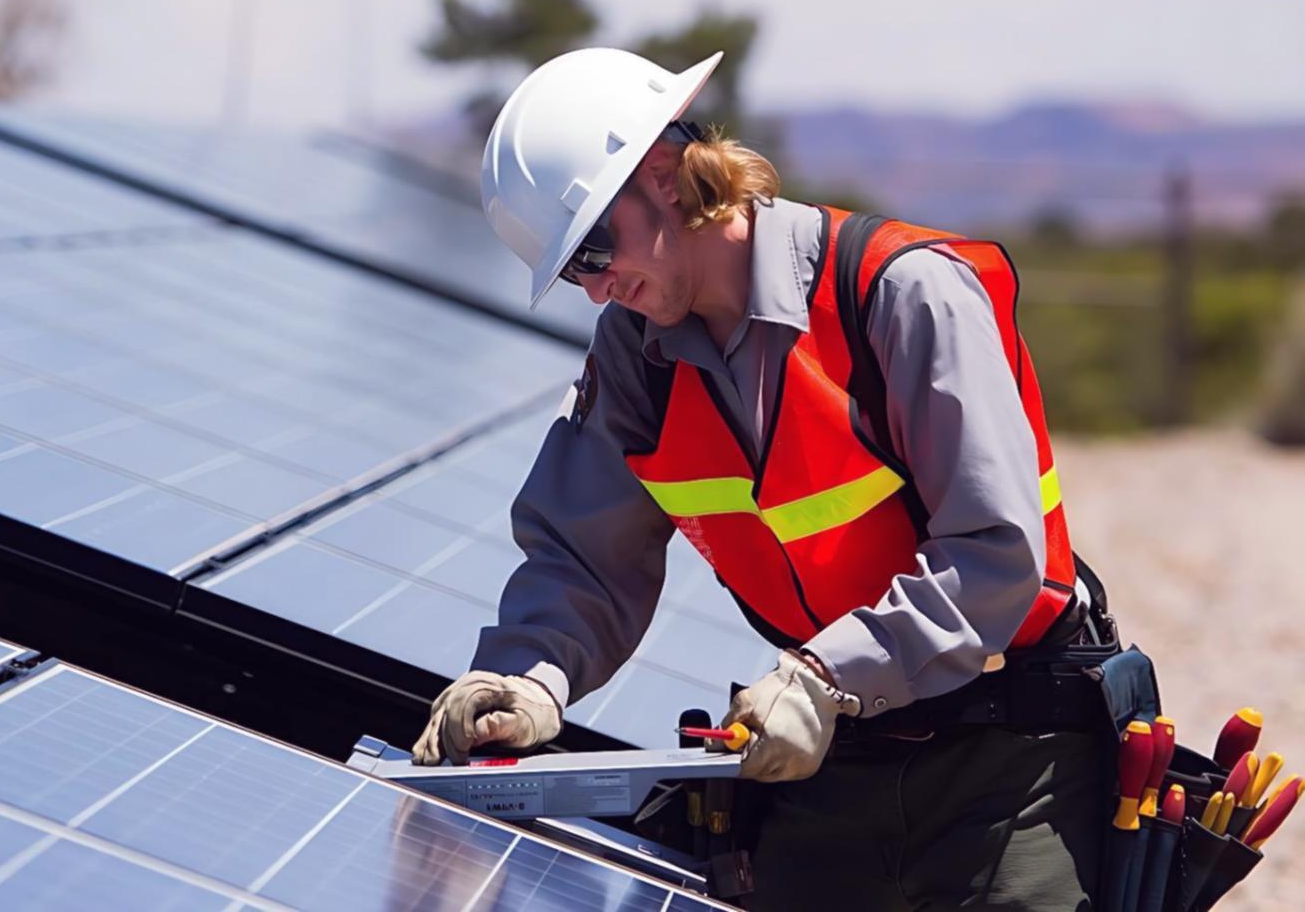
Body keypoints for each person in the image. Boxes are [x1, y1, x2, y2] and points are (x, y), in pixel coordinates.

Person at [413, 48, 1114, 910]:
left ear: (666, 174)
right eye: (573, 272)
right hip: (835, 750)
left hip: (1009, 749)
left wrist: (826, 675)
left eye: (597, 247)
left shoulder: (900, 294)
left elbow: (996, 554)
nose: (598, 291)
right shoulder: (638, 355)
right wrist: (524, 677)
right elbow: (585, 558)